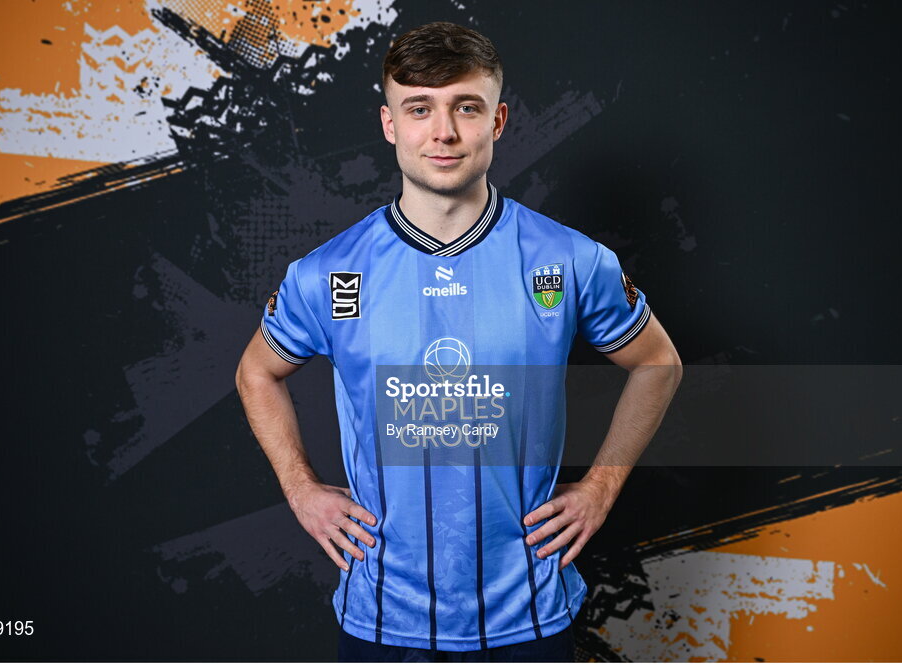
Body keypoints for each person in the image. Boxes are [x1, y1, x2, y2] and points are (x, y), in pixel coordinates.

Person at [235, 21, 682, 662]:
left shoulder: (570, 260)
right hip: (382, 617)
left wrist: (600, 488)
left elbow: (658, 364)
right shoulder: (328, 274)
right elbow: (256, 373)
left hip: (528, 613)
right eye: (419, 108)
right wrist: (302, 490)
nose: (442, 132)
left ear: (497, 121)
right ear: (390, 124)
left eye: (464, 108)